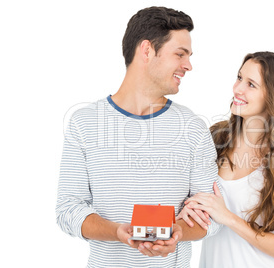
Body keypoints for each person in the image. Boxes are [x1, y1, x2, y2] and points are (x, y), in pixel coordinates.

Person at [56, 6, 221, 267]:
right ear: (147, 50)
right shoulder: (84, 123)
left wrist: (177, 232)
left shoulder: (193, 127)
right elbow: (68, 210)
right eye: (180, 54)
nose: (188, 65)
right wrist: (117, 232)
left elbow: (210, 215)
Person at [177, 51, 274, 267]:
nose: (237, 89)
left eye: (251, 84)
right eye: (239, 78)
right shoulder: (214, 139)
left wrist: (228, 217)